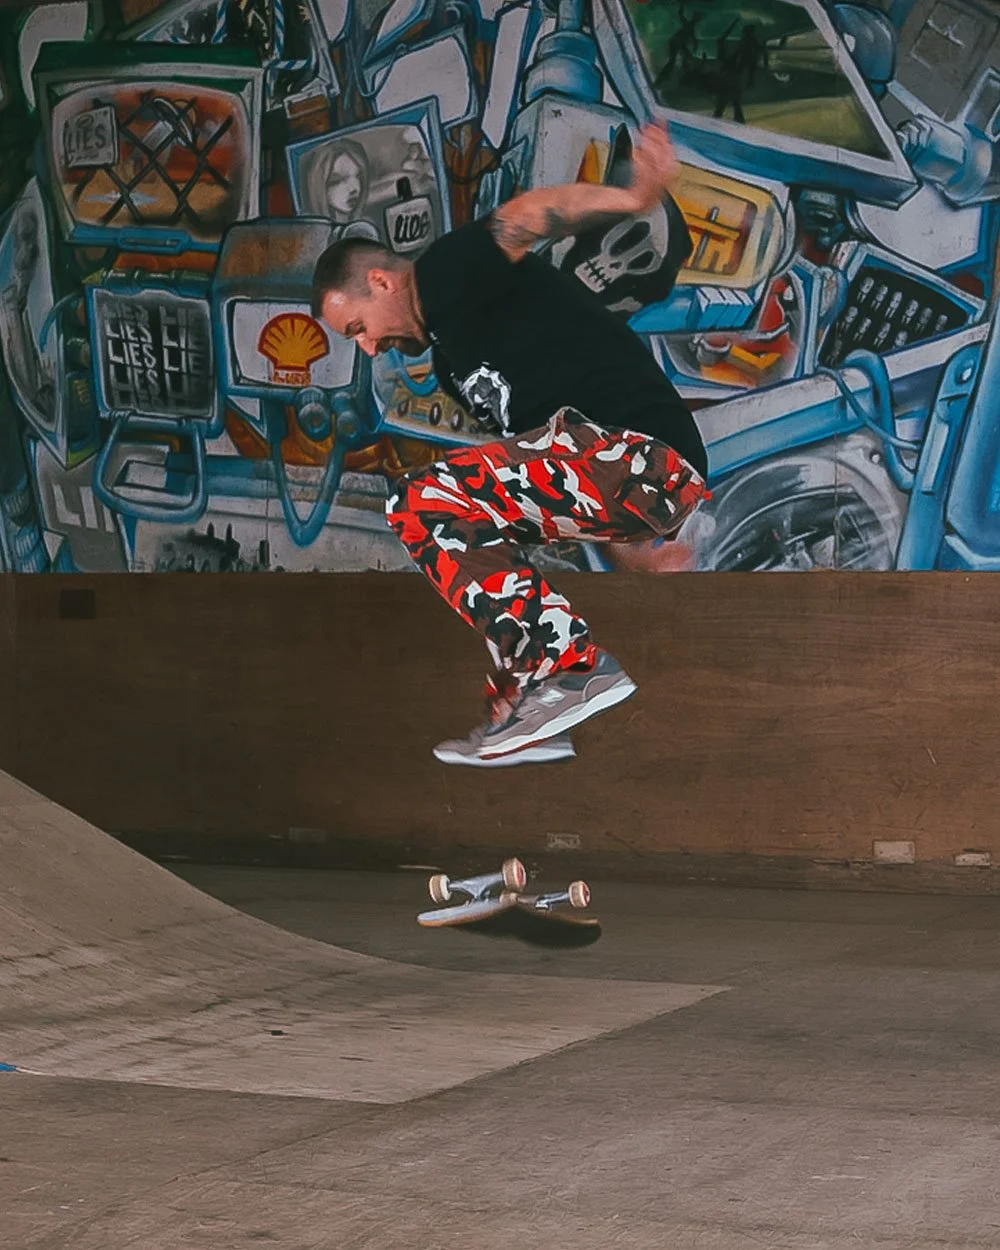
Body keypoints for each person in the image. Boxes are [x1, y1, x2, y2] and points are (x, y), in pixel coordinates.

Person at [312, 123, 709, 768]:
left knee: (418, 502)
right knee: (473, 546)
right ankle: (533, 704)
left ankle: (572, 671)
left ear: (382, 282)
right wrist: (631, 548)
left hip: (642, 450)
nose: (366, 346)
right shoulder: (453, 362)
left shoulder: (445, 272)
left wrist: (634, 200)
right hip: (618, 473)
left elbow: (527, 218)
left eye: (358, 327)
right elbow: (544, 473)